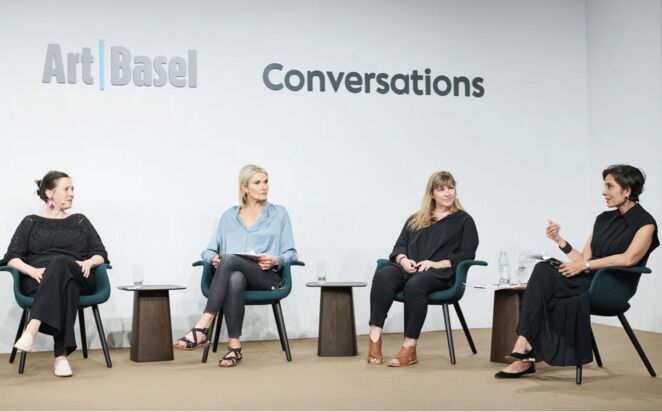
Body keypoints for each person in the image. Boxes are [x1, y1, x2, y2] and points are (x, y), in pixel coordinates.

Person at [496, 164, 659, 378]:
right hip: (588, 279)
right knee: (544, 269)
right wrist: (559, 241)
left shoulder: (646, 223)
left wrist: (586, 266)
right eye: (604, 186)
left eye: (609, 186)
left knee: (546, 285)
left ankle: (524, 350)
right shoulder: (603, 219)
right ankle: (523, 344)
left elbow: (629, 258)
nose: (604, 192)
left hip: (611, 287)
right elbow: (584, 259)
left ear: (627, 190)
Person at [174, 164, 298, 367]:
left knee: (230, 259)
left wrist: (276, 260)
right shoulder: (229, 216)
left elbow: (291, 253)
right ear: (244, 187)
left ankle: (203, 325)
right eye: (257, 182)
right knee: (234, 276)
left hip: (265, 278)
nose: (264, 187)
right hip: (233, 277)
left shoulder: (279, 214)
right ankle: (234, 348)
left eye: (266, 182)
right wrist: (212, 259)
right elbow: (208, 251)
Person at [2, 171, 109, 377]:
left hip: (81, 274)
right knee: (67, 286)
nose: (72, 194)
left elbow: (101, 254)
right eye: (66, 189)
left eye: (72, 189)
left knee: (60, 262)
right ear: (50, 193)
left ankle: (32, 327)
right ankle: (61, 356)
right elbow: (12, 257)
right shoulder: (30, 222)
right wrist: (31, 270)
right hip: (39, 279)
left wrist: (89, 261)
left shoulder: (80, 221)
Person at [367, 171, 479, 367]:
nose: (447, 193)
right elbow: (399, 247)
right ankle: (375, 336)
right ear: (432, 193)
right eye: (441, 189)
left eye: (451, 188)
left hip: (440, 274)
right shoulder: (415, 219)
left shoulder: (464, 221)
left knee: (416, 284)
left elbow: (467, 253)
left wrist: (436, 263)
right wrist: (403, 260)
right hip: (408, 269)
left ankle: (409, 347)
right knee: (384, 275)